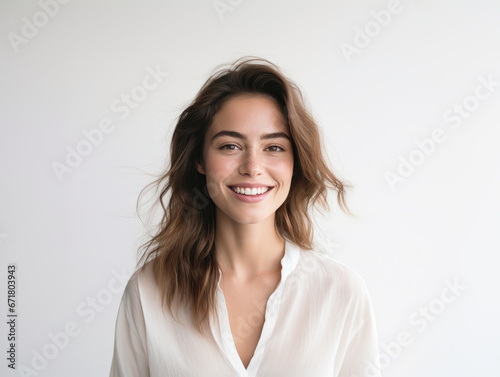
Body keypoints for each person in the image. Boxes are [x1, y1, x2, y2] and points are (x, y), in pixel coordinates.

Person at [109, 57, 381, 377]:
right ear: (200, 159)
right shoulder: (148, 292)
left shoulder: (341, 292)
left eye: (274, 147)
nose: (252, 167)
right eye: (230, 145)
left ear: (296, 162)